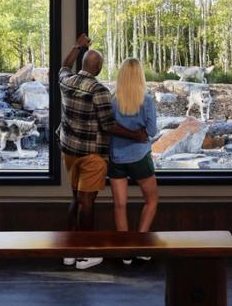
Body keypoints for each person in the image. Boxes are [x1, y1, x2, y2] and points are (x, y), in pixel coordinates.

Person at [58, 34, 148, 270]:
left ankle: (69, 251)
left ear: (84, 64)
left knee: (76, 198)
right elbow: (109, 125)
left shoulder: (66, 81)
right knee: (88, 201)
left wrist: (78, 46)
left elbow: (64, 66)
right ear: (98, 69)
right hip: (91, 156)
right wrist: (136, 135)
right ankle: (87, 253)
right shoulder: (99, 90)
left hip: (69, 151)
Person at [108, 58, 158, 265]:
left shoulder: (112, 100)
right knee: (152, 200)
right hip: (139, 157)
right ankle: (141, 244)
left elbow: (108, 127)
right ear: (140, 76)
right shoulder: (146, 100)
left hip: (116, 157)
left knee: (120, 205)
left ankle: (125, 251)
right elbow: (152, 131)